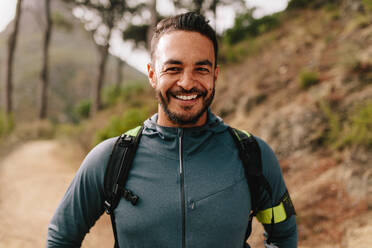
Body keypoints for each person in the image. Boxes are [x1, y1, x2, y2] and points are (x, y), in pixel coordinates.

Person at [47, 12, 297, 248]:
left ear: (215, 76)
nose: (187, 82)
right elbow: (61, 238)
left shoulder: (254, 156)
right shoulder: (110, 159)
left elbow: (283, 235)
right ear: (153, 74)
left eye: (201, 69)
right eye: (173, 68)